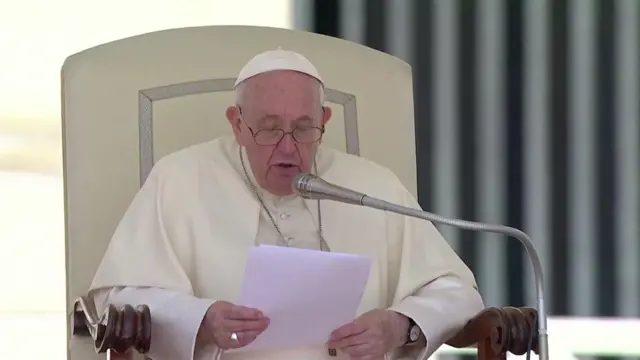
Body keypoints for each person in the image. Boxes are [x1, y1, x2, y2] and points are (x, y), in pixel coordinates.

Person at [88, 48, 485, 360]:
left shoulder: (372, 184)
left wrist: (401, 326)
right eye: (269, 128)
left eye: (303, 128)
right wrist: (200, 321)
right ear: (237, 123)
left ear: (324, 120)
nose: (288, 148)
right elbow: (117, 299)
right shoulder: (179, 179)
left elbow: (456, 290)